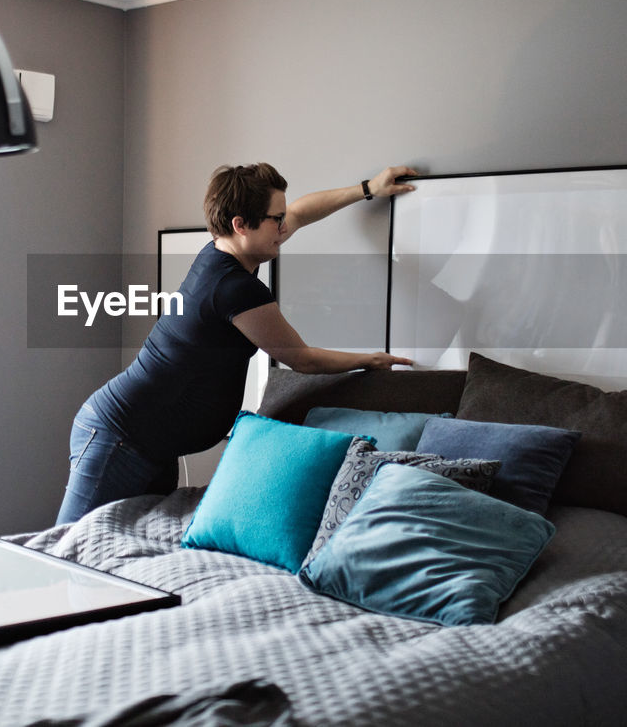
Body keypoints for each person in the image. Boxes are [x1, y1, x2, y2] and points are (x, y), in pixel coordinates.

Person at [55, 163, 418, 525]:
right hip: (118, 439)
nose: (284, 226)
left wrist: (369, 187)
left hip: (150, 445)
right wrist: (368, 360)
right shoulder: (232, 287)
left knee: (121, 551)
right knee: (65, 550)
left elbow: (302, 212)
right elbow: (302, 359)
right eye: (275, 220)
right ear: (240, 225)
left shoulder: (226, 251)